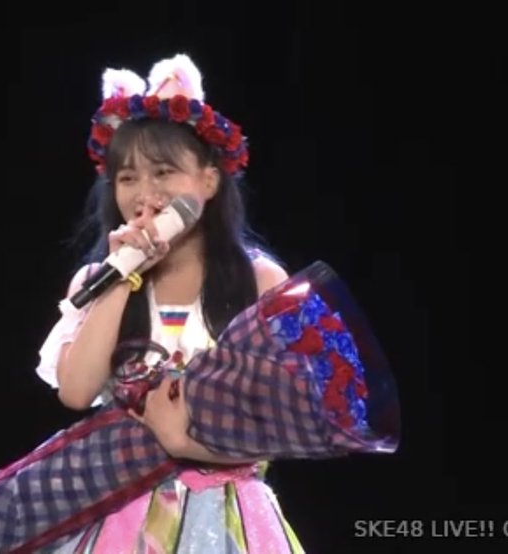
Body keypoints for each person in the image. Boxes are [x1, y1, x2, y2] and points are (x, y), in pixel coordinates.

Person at [33, 53, 306, 553]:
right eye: (127, 178)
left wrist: (183, 443)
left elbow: (287, 421)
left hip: (227, 516)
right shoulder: (97, 281)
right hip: (118, 515)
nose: (145, 193)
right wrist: (122, 278)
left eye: (163, 172)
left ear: (208, 179)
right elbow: (76, 391)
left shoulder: (259, 281)